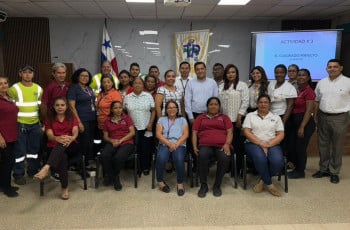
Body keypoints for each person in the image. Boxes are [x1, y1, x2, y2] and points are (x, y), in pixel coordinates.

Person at [312, 59, 350, 184]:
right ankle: (323, 169)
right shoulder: (321, 83)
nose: (332, 69)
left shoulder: (347, 82)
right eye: (329, 67)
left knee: (337, 146)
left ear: (341, 68)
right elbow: (317, 100)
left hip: (340, 117)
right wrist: (315, 116)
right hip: (323, 116)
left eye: (335, 67)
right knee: (322, 144)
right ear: (326, 69)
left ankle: (334, 171)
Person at [34, 97, 79, 200]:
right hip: (53, 146)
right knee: (62, 156)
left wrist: (71, 138)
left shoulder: (71, 116)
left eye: (62, 105)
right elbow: (49, 135)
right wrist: (56, 138)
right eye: (57, 105)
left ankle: (46, 167)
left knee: (63, 145)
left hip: (71, 145)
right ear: (53, 107)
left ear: (66, 106)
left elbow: (75, 131)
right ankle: (64, 188)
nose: (60, 107)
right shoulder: (49, 118)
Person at [242, 94, 285, 197]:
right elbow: (246, 132)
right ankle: (270, 185)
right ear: (257, 104)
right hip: (252, 143)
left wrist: (268, 144)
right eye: (261, 102)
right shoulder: (250, 116)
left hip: (272, 143)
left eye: (266, 102)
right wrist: (261, 144)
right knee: (261, 159)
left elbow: (281, 134)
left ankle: (262, 180)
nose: (263, 104)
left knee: (278, 161)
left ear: (270, 105)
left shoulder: (276, 117)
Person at [8, 65, 43, 185]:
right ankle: (18, 174)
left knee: (34, 150)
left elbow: (40, 107)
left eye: (30, 72)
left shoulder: (38, 89)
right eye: (25, 72)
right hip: (20, 124)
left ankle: (32, 171)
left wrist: (41, 123)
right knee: (20, 151)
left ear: (33, 74)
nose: (27, 74)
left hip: (35, 124)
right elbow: (9, 107)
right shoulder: (14, 89)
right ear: (20, 74)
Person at [192, 97, 233, 198]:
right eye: (211, 104)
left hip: (222, 145)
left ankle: (217, 185)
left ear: (219, 106)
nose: (213, 106)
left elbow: (230, 132)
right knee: (202, 155)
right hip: (205, 145)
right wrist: (194, 146)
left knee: (224, 157)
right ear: (207, 106)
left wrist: (227, 144)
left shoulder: (224, 117)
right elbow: (194, 133)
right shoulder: (200, 118)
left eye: (216, 104)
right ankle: (203, 185)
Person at [219, 64, 249, 172]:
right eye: (228, 72)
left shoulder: (242, 85)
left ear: (236, 74)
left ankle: (237, 168)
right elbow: (220, 104)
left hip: (238, 120)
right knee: (227, 144)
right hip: (225, 121)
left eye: (233, 72)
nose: (230, 74)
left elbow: (245, 102)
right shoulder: (222, 86)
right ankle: (228, 166)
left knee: (238, 145)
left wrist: (240, 117)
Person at [100, 101, 135, 191]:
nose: (118, 110)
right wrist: (112, 140)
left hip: (126, 142)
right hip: (112, 142)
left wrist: (121, 140)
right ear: (111, 109)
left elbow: (132, 132)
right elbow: (105, 136)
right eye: (115, 108)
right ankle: (113, 176)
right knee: (104, 155)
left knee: (118, 157)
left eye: (120, 107)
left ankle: (113, 177)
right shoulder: (107, 120)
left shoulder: (127, 118)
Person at [156, 100, 189, 196]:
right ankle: (160, 181)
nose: (172, 109)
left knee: (179, 158)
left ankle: (180, 183)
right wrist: (169, 143)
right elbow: (158, 134)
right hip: (165, 143)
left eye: (174, 107)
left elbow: (186, 134)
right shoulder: (161, 119)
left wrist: (176, 144)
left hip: (179, 143)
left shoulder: (182, 120)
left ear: (177, 109)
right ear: (166, 110)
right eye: (169, 108)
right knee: (161, 157)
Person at [124, 77, 155, 176]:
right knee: (135, 148)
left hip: (146, 126)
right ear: (132, 85)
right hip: (132, 128)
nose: (137, 85)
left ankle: (145, 167)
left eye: (140, 83)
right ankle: (137, 167)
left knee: (146, 148)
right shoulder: (127, 97)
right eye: (135, 83)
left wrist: (151, 123)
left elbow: (153, 110)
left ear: (143, 85)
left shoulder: (148, 96)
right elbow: (124, 111)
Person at [288, 69, 316, 179]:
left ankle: (301, 171)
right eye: (299, 75)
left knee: (300, 147)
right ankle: (297, 167)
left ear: (308, 77)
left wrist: (302, 127)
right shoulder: (297, 89)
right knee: (294, 146)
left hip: (305, 122)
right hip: (295, 120)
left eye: (303, 75)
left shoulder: (309, 91)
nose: (300, 77)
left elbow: (309, 110)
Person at [67, 68, 96, 165]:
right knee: (83, 143)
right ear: (77, 77)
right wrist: (79, 122)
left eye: (86, 76)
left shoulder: (89, 88)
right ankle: (80, 166)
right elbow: (71, 107)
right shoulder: (74, 88)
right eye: (82, 76)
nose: (84, 78)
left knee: (89, 142)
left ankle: (86, 163)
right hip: (82, 119)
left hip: (92, 118)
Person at [0, 76, 19, 197]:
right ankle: (6, 188)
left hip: (12, 135)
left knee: (7, 162)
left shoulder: (9, 98)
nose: (3, 85)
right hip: (3, 136)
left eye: (5, 83)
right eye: (0, 83)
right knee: (7, 162)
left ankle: (3, 184)